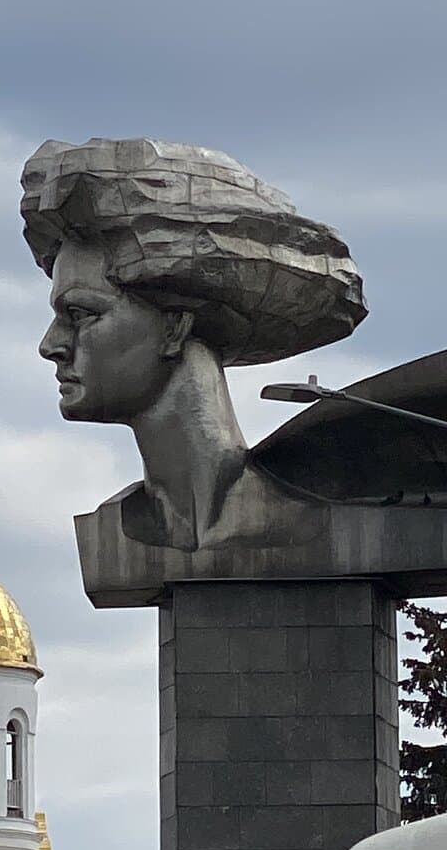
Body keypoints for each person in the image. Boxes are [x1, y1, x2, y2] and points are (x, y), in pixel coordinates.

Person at [21, 137, 366, 552]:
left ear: (176, 326)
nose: (51, 345)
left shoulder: (311, 518)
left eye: (80, 314)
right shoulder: (115, 532)